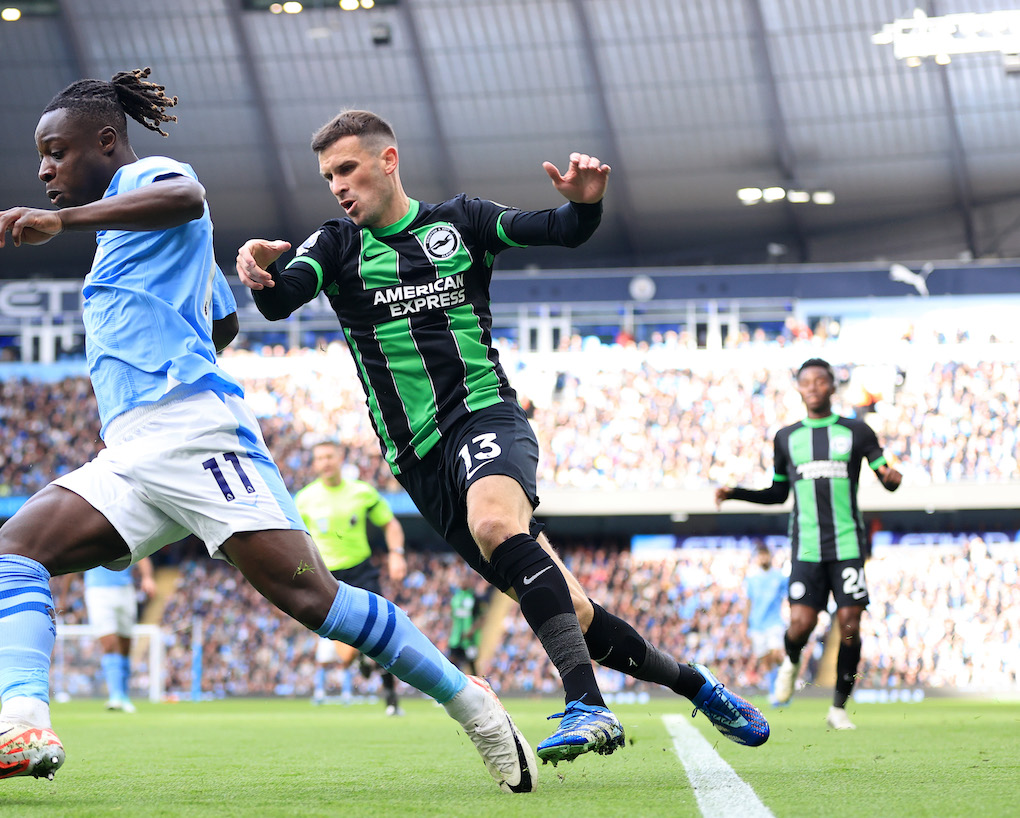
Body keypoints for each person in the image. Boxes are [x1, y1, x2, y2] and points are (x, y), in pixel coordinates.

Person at [0, 70, 537, 795]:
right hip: (135, 447)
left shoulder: (149, 178)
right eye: (41, 159)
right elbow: (222, 320)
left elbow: (188, 196)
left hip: (195, 436)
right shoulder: (139, 234)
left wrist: (64, 222)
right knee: (11, 552)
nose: (45, 169)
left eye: (55, 152)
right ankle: (25, 720)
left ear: (106, 142)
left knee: (318, 602)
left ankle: (472, 704)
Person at [236, 109, 768, 763]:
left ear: (388, 160)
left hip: (487, 416)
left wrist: (586, 205)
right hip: (420, 461)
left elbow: (561, 229)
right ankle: (700, 686)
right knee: (575, 610)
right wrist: (257, 269)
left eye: (347, 168)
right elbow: (280, 298)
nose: (338, 186)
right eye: (328, 177)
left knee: (494, 522)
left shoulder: (462, 222)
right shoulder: (337, 244)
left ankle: (587, 707)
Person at [717, 357, 902, 730]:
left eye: (821, 381)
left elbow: (885, 474)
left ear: (832, 387)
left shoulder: (856, 432)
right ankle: (791, 660)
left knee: (849, 624)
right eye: (807, 382)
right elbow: (778, 492)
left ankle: (837, 708)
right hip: (807, 548)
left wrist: (892, 479)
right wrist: (736, 492)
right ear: (799, 388)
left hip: (848, 545)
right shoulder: (787, 437)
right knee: (800, 625)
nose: (814, 387)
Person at [296, 441, 407, 715]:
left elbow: (390, 523)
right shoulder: (304, 500)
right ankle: (360, 659)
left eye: (329, 456)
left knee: (381, 631)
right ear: (314, 463)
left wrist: (396, 553)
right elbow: (295, 539)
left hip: (361, 570)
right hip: (326, 576)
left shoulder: (362, 492)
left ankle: (391, 698)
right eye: (319, 457)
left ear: (340, 458)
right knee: (345, 655)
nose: (325, 462)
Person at [83, 560, 156, 713]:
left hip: (125, 589)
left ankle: (123, 695)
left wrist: (147, 577)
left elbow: (142, 555)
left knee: (125, 645)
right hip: (97, 590)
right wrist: (63, 593)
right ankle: (115, 695)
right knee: (109, 643)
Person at [744, 545, 788, 702]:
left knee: (777, 653)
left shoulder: (780, 577)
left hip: (774, 622)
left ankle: (785, 685)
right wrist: (745, 625)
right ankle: (773, 692)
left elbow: (788, 597)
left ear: (770, 556)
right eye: (761, 555)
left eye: (766, 555)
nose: (764, 558)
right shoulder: (752, 579)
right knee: (766, 660)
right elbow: (748, 603)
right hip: (757, 625)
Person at [447, 584, 484, 676]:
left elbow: (481, 617)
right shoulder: (456, 598)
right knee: (452, 661)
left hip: (469, 639)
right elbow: (452, 615)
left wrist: (471, 630)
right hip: (456, 638)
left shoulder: (475, 598)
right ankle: (453, 686)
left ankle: (478, 686)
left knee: (471, 663)